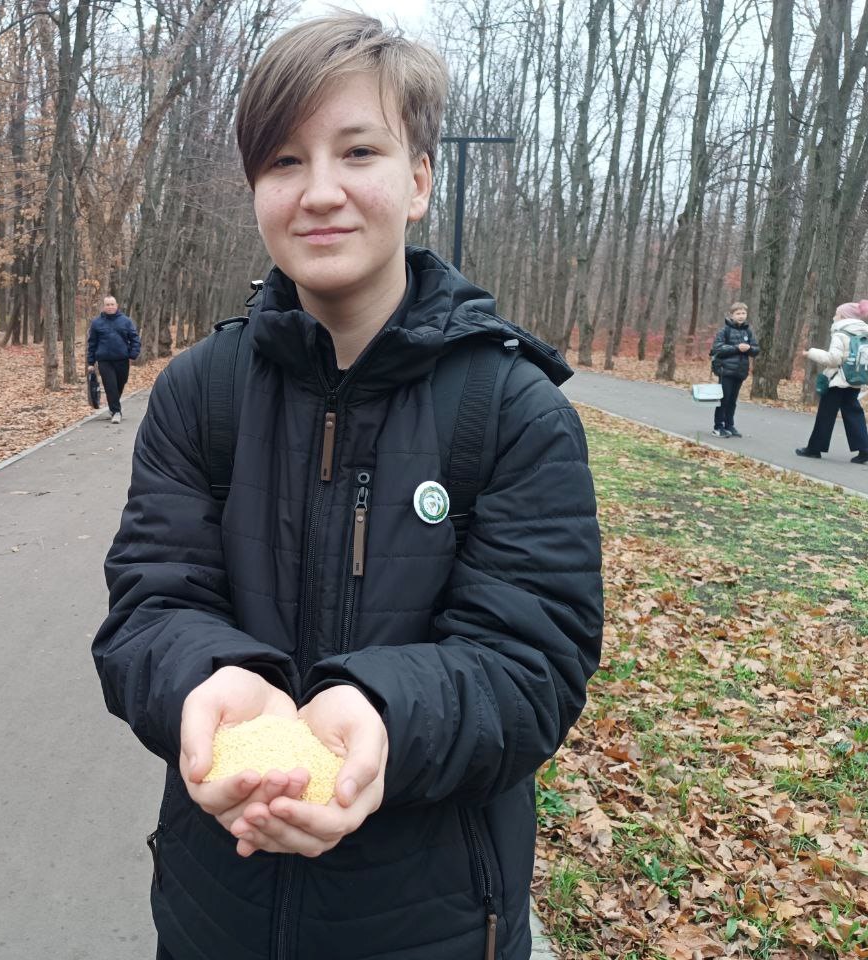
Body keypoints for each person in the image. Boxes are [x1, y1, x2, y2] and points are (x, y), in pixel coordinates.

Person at [92, 15, 603, 960]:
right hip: (216, 911)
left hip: (434, 924)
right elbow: (149, 608)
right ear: (257, 190)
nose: (320, 191)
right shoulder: (201, 394)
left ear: (419, 181)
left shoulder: (512, 410)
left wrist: (381, 717)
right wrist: (208, 681)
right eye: (285, 161)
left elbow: (534, 663)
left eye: (359, 151)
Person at [796, 299, 868, 463]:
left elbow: (833, 359)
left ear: (844, 317)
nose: (834, 317)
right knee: (854, 414)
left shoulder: (840, 334)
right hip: (854, 380)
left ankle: (814, 449)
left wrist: (810, 353)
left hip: (838, 381)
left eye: (837, 314)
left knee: (826, 414)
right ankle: (865, 449)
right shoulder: (862, 334)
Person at [86, 295, 141, 423]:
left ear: (116, 306)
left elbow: (135, 339)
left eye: (112, 304)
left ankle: (113, 405)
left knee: (120, 384)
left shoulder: (126, 321)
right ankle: (116, 412)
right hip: (104, 361)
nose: (110, 307)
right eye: (107, 305)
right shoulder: (96, 323)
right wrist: (91, 362)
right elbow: (92, 343)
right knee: (110, 385)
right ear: (104, 306)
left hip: (122, 360)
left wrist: (133, 354)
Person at [708, 301, 759, 438]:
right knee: (723, 399)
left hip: (740, 372)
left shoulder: (748, 331)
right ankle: (718, 427)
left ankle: (729, 425)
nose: (741, 316)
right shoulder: (724, 331)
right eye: (738, 313)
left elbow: (756, 350)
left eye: (743, 313)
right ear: (732, 315)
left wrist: (749, 348)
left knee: (732, 401)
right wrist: (736, 348)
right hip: (725, 371)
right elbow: (717, 349)